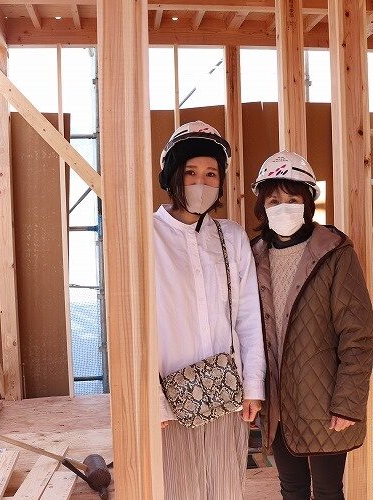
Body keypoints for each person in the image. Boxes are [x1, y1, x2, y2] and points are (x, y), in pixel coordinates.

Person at [250, 151, 373, 500]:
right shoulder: (253, 255)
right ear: (262, 206)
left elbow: (358, 336)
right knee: (291, 489)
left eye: (292, 199)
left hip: (325, 400)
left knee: (327, 491)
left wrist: (347, 402)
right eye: (274, 200)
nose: (283, 207)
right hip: (278, 402)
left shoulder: (334, 253)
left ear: (308, 202)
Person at [154, 121, 266, 499]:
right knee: (175, 491)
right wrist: (152, 400)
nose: (200, 182)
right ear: (172, 175)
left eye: (210, 174)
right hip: (170, 398)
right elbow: (133, 327)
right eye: (190, 172)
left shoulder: (230, 235)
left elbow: (248, 316)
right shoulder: (147, 235)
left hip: (226, 393)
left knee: (225, 489)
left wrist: (253, 385)